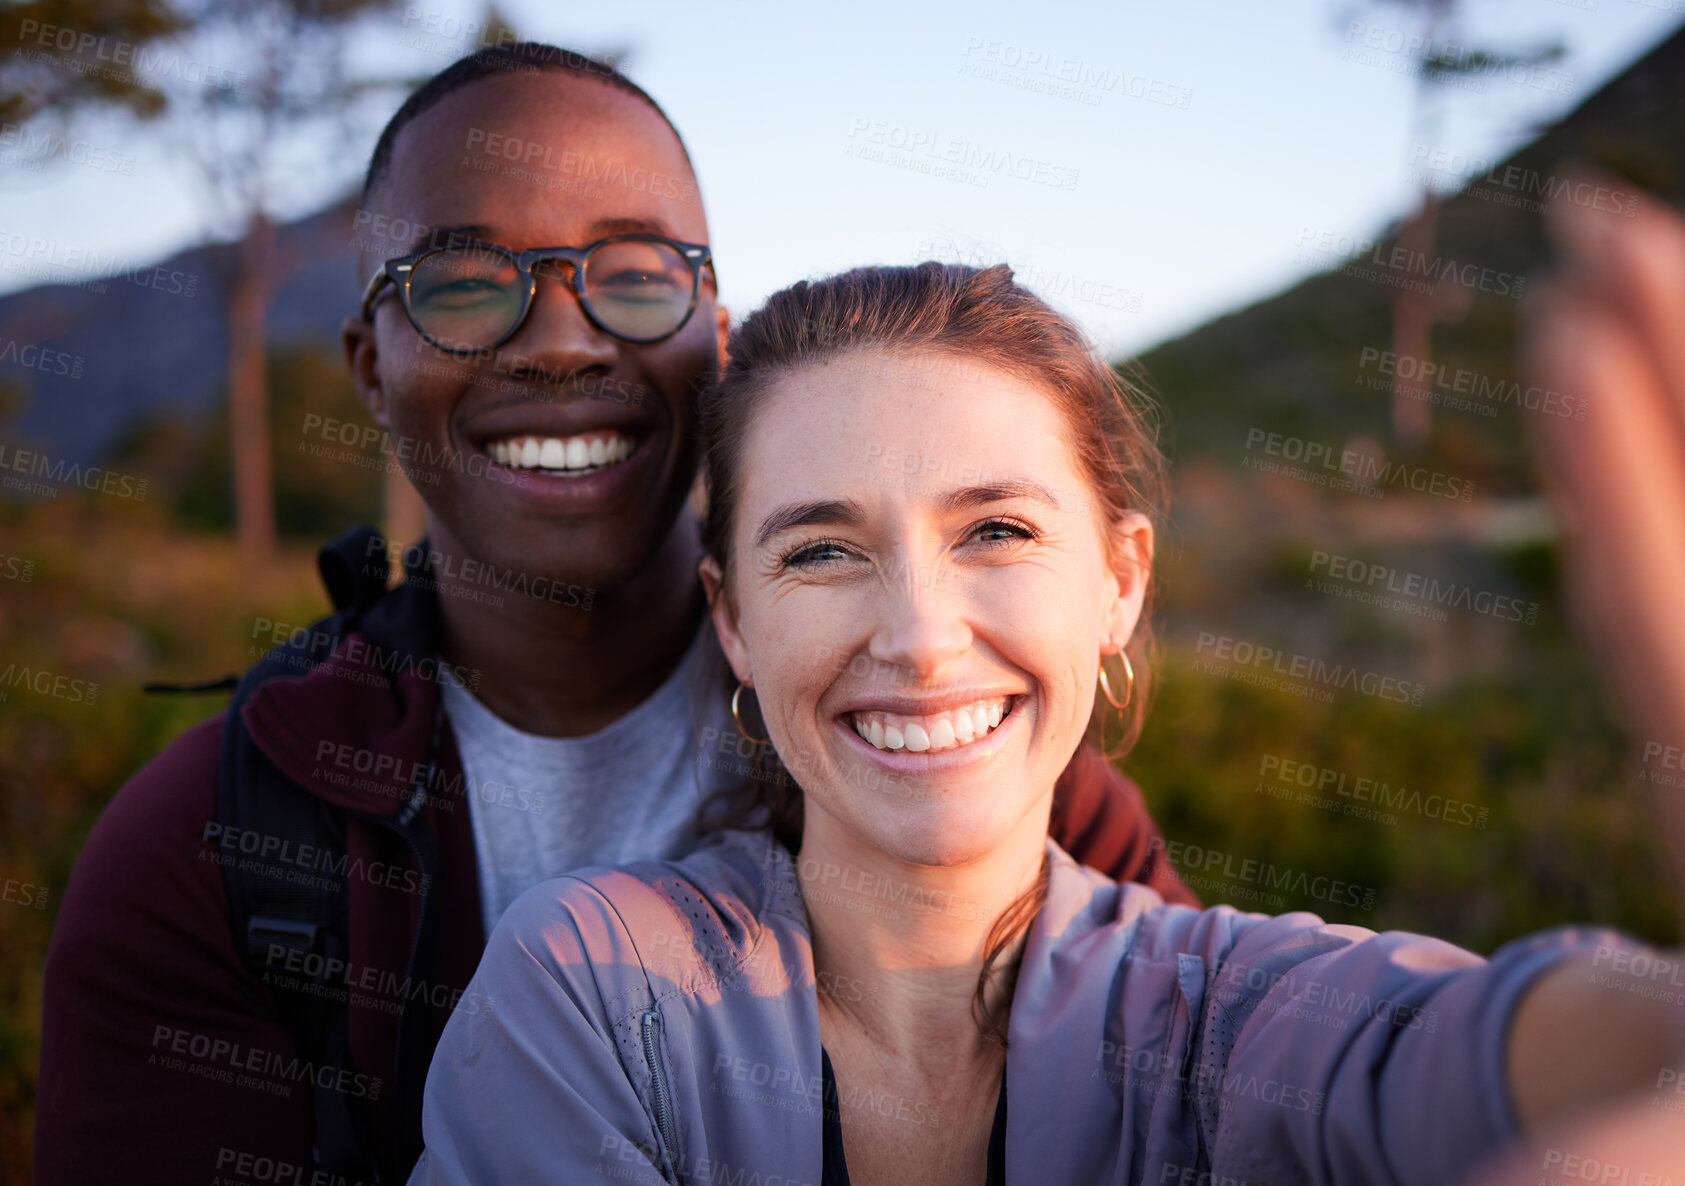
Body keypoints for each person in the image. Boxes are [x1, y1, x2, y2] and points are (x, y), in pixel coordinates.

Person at [33, 45, 1190, 1185]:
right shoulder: (209, 848)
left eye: (636, 275)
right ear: (370, 368)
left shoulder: (953, 742)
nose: (560, 339)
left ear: (716, 343)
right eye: (462, 285)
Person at [408, 261, 1685, 1185]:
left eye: (997, 531)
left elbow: (1488, 1058)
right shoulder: (590, 993)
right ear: (733, 618)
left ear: (1118, 582)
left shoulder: (1226, 1016)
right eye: (821, 549)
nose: (917, 634)